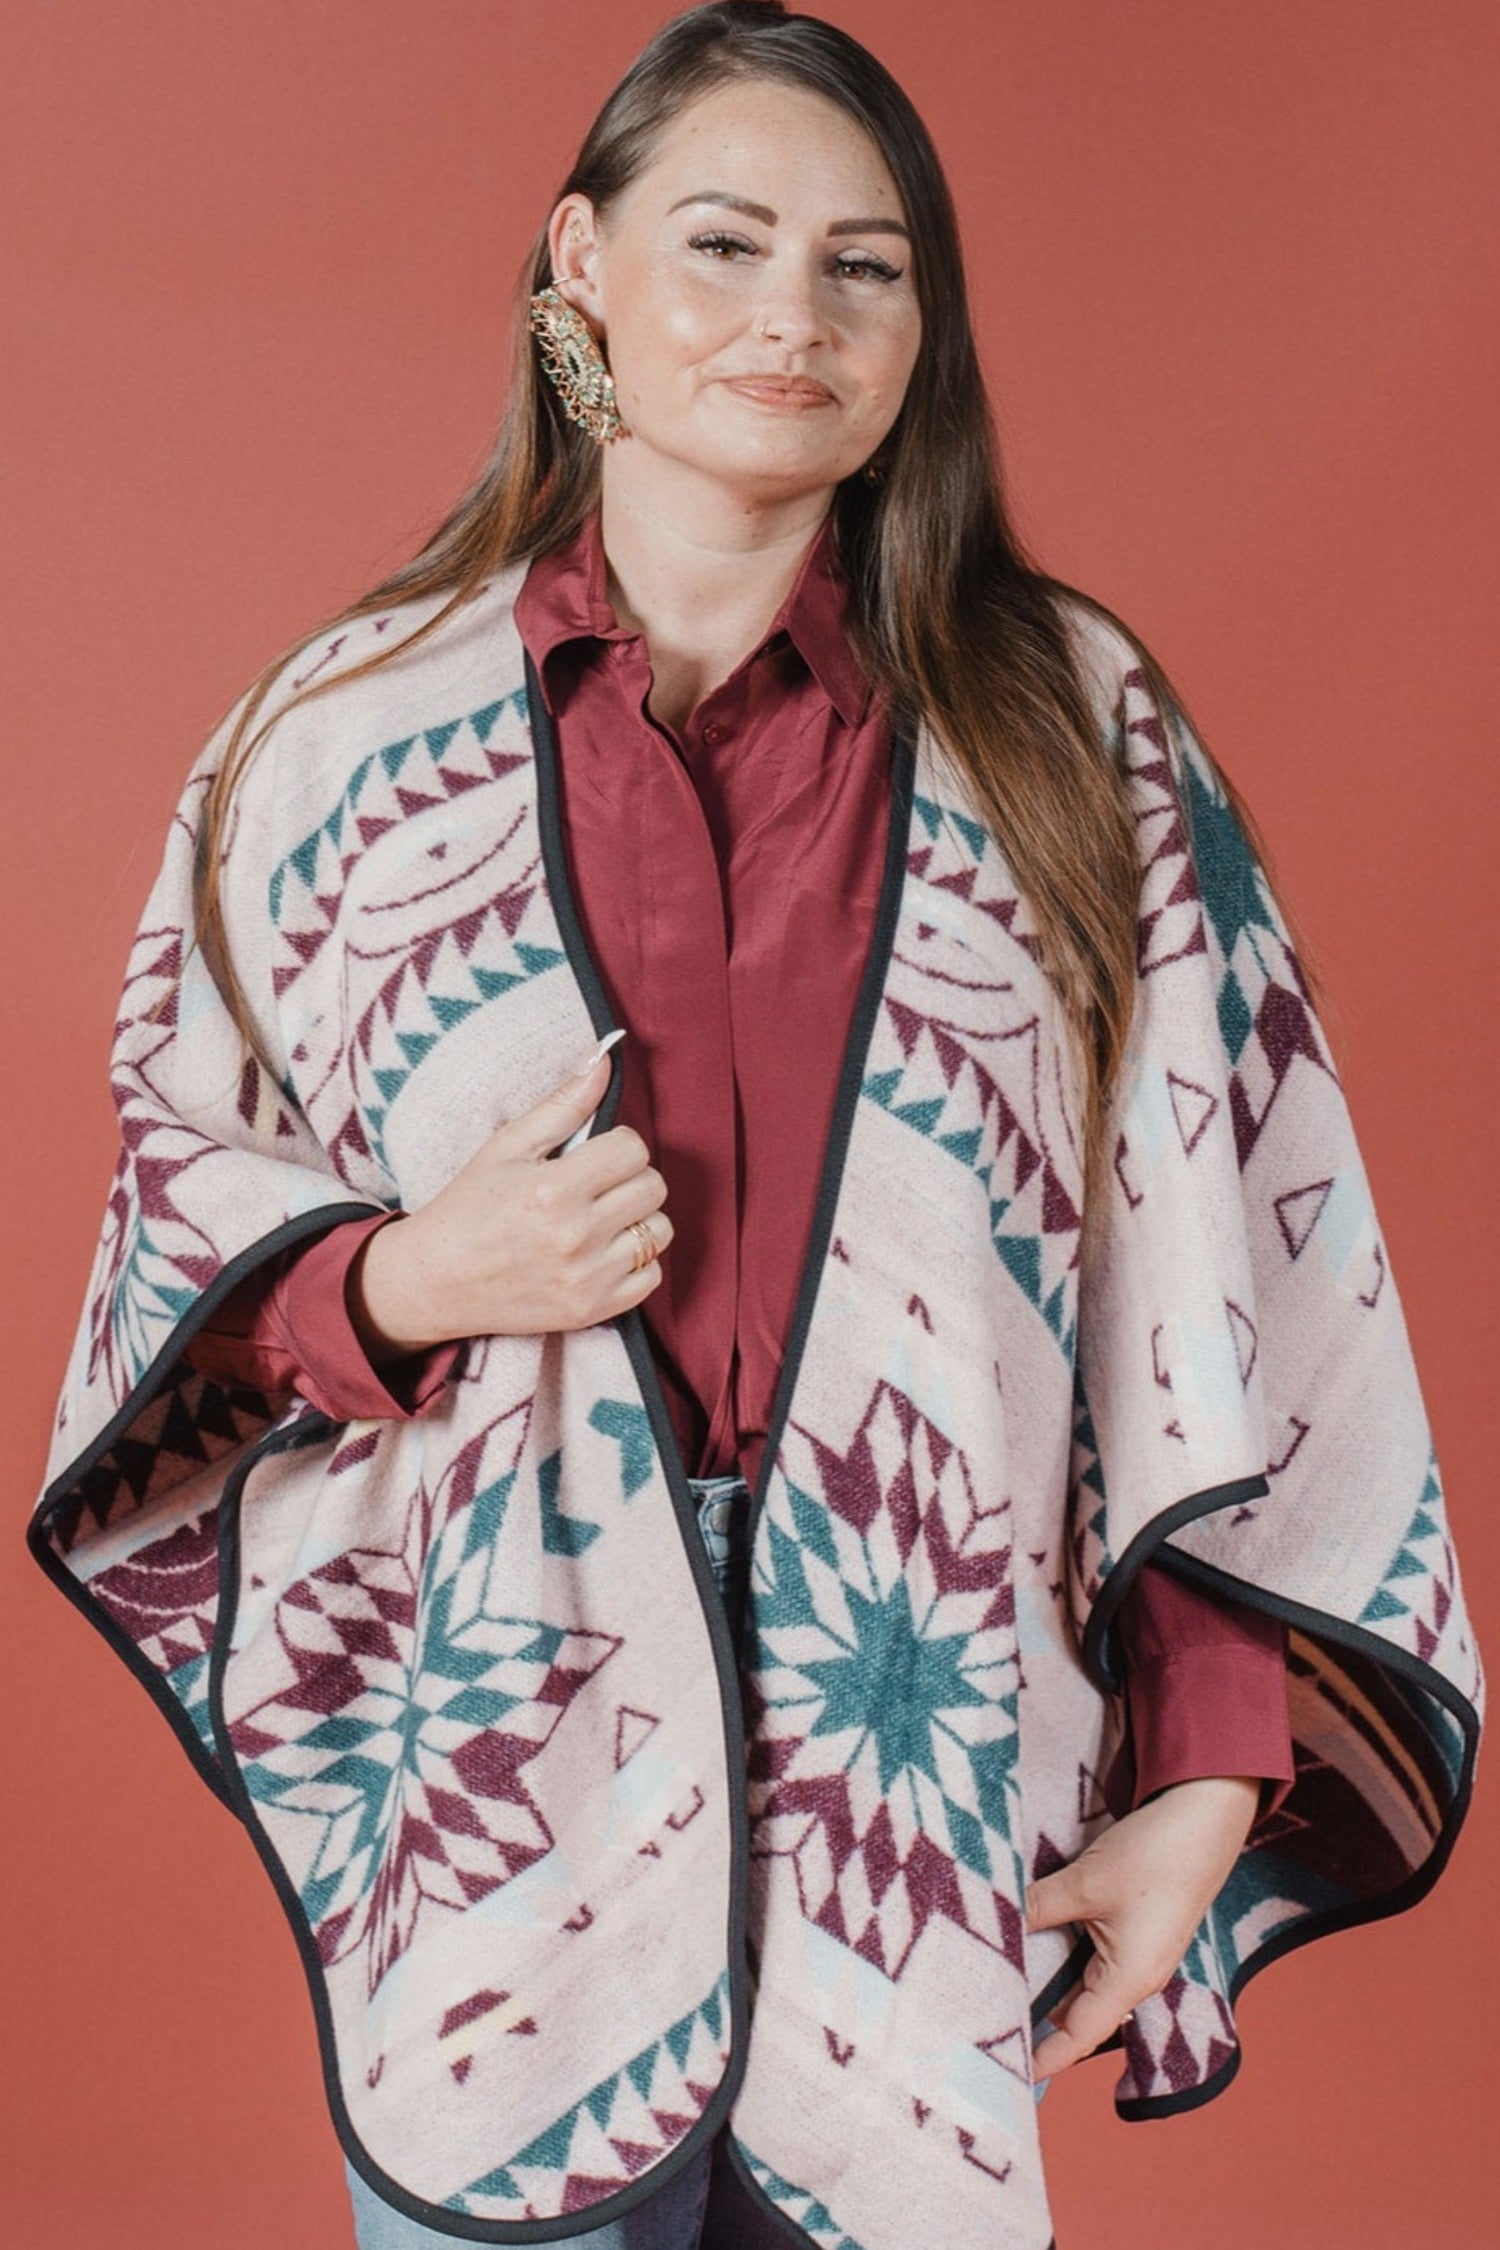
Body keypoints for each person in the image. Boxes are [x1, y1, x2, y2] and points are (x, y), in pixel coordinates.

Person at [28, 8, 1481, 2250]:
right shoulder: (326, 751)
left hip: (921, 1713)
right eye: (723, 241)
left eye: (865, 267)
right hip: (506, 1750)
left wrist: (1208, 1769)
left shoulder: (1071, 736)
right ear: (582, 268)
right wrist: (417, 1280)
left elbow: (1215, 1269)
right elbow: (174, 1226)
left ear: (925, 329)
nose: (790, 316)